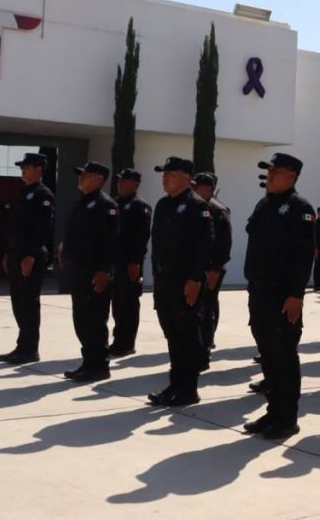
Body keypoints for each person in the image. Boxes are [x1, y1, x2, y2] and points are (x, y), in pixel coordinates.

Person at [241, 153, 315, 440]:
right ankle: (273, 412)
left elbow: (304, 256)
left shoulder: (300, 208)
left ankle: (286, 418)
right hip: (259, 291)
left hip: (282, 296)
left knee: (283, 356)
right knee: (269, 357)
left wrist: (296, 294)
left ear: (292, 176)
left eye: (276, 171)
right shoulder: (265, 204)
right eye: (269, 170)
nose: (269, 175)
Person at [147, 157, 214, 407]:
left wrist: (195, 279)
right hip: (165, 280)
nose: (165, 178)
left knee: (188, 334)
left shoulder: (197, 206)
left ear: (186, 177)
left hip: (185, 281)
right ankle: (175, 385)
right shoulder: (164, 204)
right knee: (173, 335)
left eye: (170, 174)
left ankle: (188, 389)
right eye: (163, 174)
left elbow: (204, 246)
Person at [61, 161, 119, 382]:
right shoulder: (84, 202)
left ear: (99, 179)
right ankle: (89, 362)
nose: (81, 178)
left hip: (95, 273)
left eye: (85, 175)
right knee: (82, 319)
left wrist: (105, 270)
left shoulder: (105, 204)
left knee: (94, 320)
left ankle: (99, 366)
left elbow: (111, 241)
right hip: (80, 271)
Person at [0, 152, 55, 365]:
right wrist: (8, 253)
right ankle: (22, 345)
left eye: (27, 167)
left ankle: (30, 349)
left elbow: (42, 228)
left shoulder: (43, 195)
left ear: (39, 169)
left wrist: (30, 255)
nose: (22, 170)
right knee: (18, 302)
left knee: (29, 302)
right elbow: (13, 227)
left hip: (31, 255)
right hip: (16, 253)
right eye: (22, 167)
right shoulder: (22, 193)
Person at [109, 168, 151, 358]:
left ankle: (127, 343)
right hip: (116, 262)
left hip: (130, 263)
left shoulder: (139, 206)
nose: (120, 184)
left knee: (129, 304)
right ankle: (118, 340)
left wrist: (135, 262)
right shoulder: (116, 203)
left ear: (135, 184)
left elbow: (141, 237)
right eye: (119, 180)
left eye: (125, 181)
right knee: (117, 303)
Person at [192, 172, 231, 366]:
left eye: (197, 186)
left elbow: (224, 242)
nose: (193, 189)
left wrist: (215, 268)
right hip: (197, 267)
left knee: (206, 308)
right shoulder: (195, 206)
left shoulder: (217, 209)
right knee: (196, 308)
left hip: (211, 268)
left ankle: (204, 349)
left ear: (208, 188)